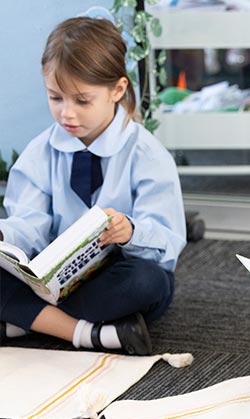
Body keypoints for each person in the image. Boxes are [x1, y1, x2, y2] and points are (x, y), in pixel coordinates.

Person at [0, 17, 186, 356]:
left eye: (82, 100)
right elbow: (28, 225)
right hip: (51, 283)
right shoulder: (40, 152)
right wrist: (5, 237)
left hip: (119, 274)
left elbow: (167, 243)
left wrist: (131, 232)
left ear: (117, 90)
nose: (66, 113)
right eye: (55, 98)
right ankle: (89, 333)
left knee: (146, 282)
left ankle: (24, 322)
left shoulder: (147, 155)